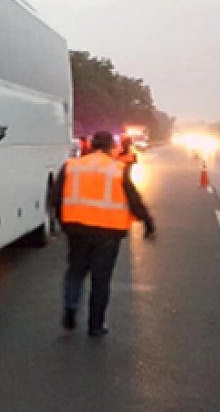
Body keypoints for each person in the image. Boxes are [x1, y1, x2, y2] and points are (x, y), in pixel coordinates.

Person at [48, 131, 155, 337]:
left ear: (90, 145)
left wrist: (63, 222)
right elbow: (134, 200)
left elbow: (55, 197)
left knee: (76, 271)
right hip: (108, 232)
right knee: (101, 279)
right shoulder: (117, 169)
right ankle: (95, 326)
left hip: (77, 228)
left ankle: (70, 307)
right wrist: (148, 223)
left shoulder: (71, 166)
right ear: (110, 147)